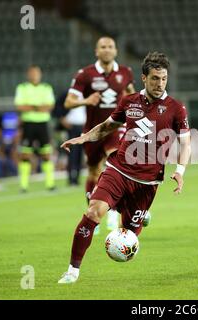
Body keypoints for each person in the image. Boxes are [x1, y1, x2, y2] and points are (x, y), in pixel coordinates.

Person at [57, 52, 191, 284]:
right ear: (144, 78)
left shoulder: (176, 108)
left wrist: (180, 171)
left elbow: (186, 143)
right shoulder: (129, 102)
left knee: (128, 233)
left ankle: (136, 214)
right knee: (93, 212)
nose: (160, 84)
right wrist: (84, 138)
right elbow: (108, 126)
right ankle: (72, 270)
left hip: (147, 183)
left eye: (164, 79)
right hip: (118, 170)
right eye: (155, 79)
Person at [64, 36, 136, 232]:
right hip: (92, 132)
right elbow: (68, 102)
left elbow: (132, 94)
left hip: (114, 128)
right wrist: (86, 101)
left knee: (113, 164)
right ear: (97, 51)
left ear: (116, 51)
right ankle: (92, 214)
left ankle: (114, 213)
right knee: (94, 172)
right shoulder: (85, 74)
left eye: (110, 46)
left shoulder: (125, 72)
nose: (106, 50)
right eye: (103, 47)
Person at [15, 65, 56, 192]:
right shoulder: (22, 88)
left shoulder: (46, 88)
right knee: (25, 154)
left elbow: (49, 106)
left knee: (46, 154)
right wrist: (39, 107)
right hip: (28, 124)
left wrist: (31, 107)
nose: (34, 75)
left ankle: (50, 184)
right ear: (28, 74)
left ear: (40, 74)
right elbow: (19, 106)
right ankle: (23, 186)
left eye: (36, 73)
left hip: (43, 124)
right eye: (32, 73)